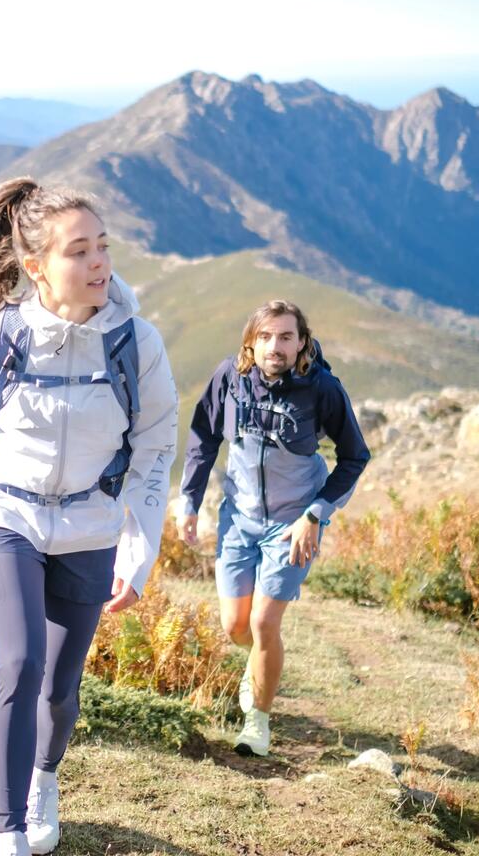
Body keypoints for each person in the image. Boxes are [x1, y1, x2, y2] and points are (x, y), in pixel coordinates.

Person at [0, 178, 178, 856]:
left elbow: (154, 452)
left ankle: (42, 779)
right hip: (5, 516)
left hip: (89, 528)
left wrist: (137, 554)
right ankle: (9, 835)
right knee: (20, 663)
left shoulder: (136, 345)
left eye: (103, 248)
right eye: (79, 251)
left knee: (58, 691)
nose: (100, 264)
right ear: (36, 268)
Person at [175, 300, 369, 757]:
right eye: (265, 336)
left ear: (301, 342)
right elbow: (204, 436)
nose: (274, 346)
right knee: (235, 627)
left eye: (285, 336)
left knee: (264, 622)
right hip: (238, 518)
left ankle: (256, 723)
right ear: (251, 340)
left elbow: (355, 456)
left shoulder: (322, 388)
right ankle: (258, 664)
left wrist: (315, 514)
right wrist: (189, 499)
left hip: (293, 523)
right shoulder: (231, 377)